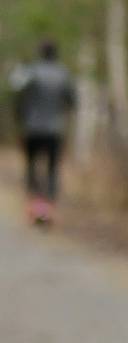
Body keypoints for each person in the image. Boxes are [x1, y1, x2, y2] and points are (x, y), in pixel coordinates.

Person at [11, 40, 76, 222]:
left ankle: (34, 206)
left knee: (31, 165)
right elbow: (72, 101)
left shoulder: (30, 71)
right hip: (55, 129)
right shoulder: (64, 74)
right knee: (52, 168)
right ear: (56, 54)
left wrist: (20, 120)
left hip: (32, 128)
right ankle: (48, 209)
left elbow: (18, 97)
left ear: (40, 53)